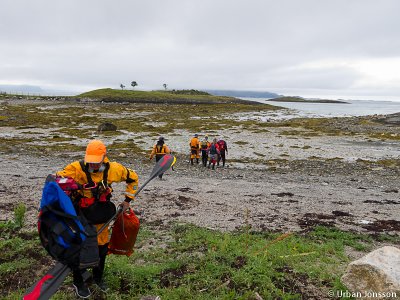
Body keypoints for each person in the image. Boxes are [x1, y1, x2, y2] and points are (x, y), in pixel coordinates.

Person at [56, 140, 138, 298]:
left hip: (102, 216)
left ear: (104, 157)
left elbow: (133, 179)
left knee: (101, 250)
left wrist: (128, 200)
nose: (92, 165)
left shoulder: (115, 169)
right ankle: (78, 282)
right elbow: (57, 181)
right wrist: (70, 186)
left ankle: (98, 279)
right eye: (90, 162)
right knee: (83, 249)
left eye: (96, 162)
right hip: (82, 217)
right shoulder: (76, 168)